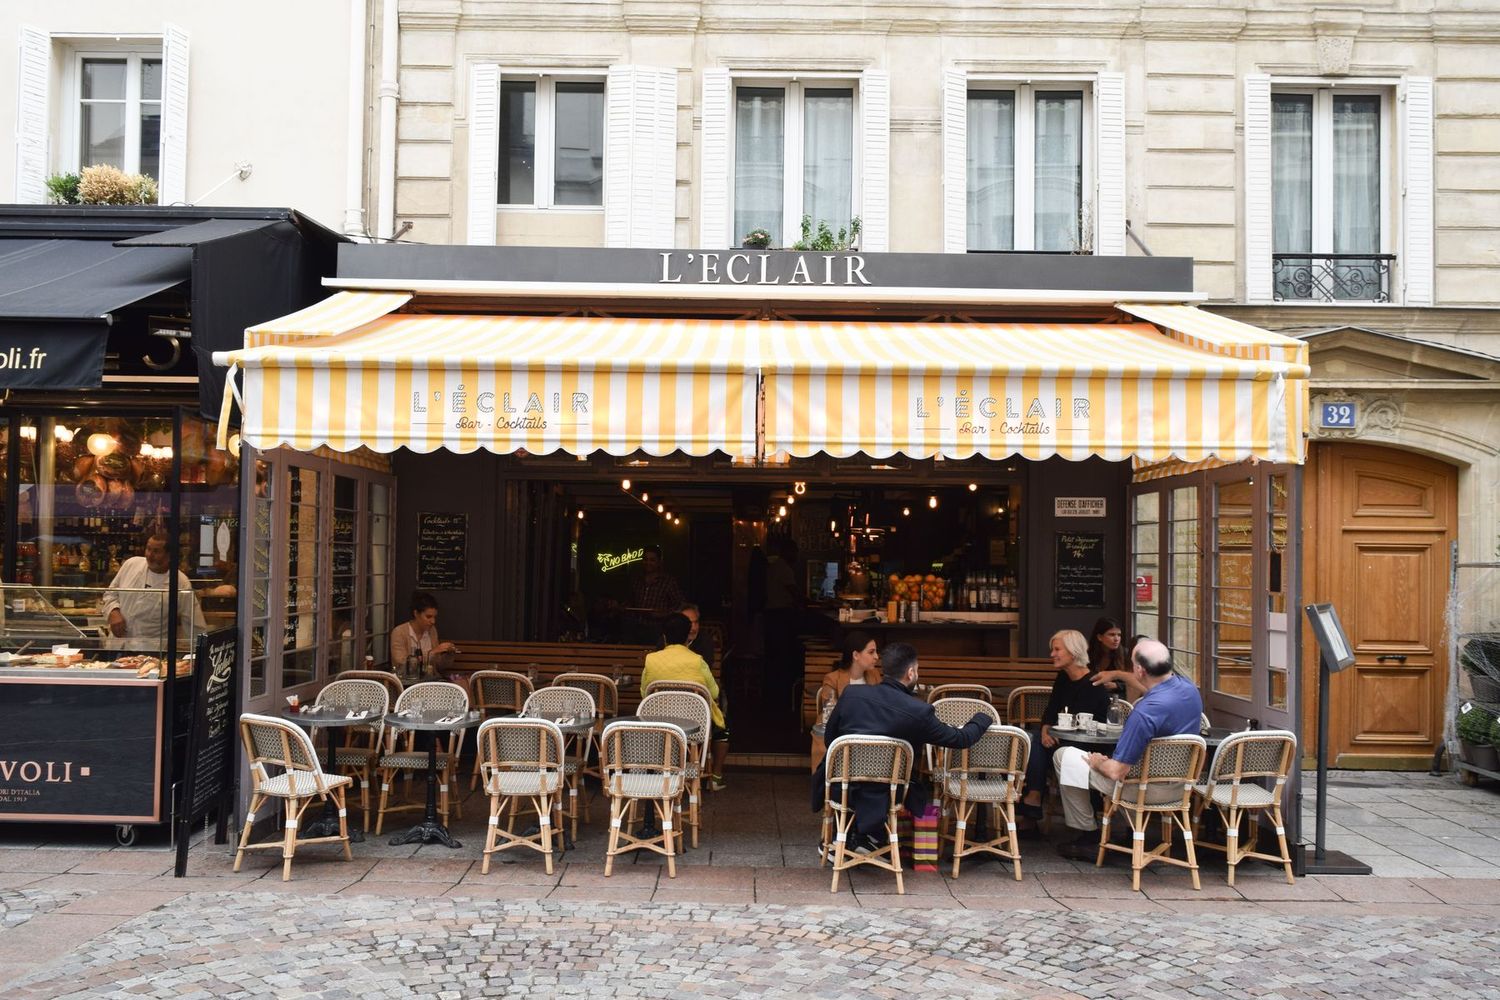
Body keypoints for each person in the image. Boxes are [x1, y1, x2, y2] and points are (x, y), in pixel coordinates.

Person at [812, 642, 992, 853]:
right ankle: (864, 837)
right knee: (914, 783)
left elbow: (831, 740)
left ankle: (853, 838)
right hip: (889, 792)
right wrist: (983, 716)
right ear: (910, 673)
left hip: (841, 788)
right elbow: (960, 739)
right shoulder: (919, 711)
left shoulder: (852, 695)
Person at [1052, 637, 1204, 860]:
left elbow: (1116, 772)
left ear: (1140, 670)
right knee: (1131, 762)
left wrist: (1098, 762)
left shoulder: (1143, 713)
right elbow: (1150, 684)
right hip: (1180, 788)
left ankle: (1088, 835)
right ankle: (1132, 832)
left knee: (1063, 756)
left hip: (1142, 789)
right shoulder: (1189, 689)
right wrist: (1117, 674)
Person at [1016, 629, 1113, 830]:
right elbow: (1051, 710)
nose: (1052, 654)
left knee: (1035, 745)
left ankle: (1032, 806)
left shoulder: (1093, 684)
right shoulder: (1063, 677)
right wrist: (1044, 729)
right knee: (1030, 739)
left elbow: (1080, 725)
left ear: (1073, 652)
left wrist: (1052, 734)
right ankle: (1033, 801)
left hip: (1087, 746)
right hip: (1062, 739)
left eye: (1057, 649)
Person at [642, 612, 729, 791]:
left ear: (664, 636)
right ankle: (714, 777)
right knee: (724, 730)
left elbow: (645, 693)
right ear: (686, 636)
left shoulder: (651, 660)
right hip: (695, 728)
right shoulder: (697, 661)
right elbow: (714, 691)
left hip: (660, 725)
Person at [102, 529, 207, 651]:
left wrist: (201, 654)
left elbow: (194, 623)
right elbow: (110, 594)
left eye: (156, 551)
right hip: (116, 645)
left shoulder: (180, 582)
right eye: (148, 549)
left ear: (169, 556)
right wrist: (114, 612)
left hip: (150, 651)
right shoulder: (131, 564)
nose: (149, 555)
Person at [808, 631, 879, 772]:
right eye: (871, 652)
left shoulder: (874, 676)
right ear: (856, 655)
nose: (876, 657)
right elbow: (830, 713)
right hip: (841, 735)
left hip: (869, 734)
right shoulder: (832, 679)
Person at [390, 591, 456, 673]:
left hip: (429, 682)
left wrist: (448, 654)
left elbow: (438, 666)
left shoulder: (432, 631)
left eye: (434, 617)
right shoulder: (399, 632)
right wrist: (432, 652)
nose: (433, 621)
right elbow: (400, 664)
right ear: (416, 614)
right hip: (407, 683)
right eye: (428, 617)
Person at [630, 546, 683, 612]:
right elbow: (631, 603)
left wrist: (664, 613)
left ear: (659, 562)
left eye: (652, 560)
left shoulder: (668, 582)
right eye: (645, 559)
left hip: (659, 622)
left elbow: (680, 605)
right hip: (636, 622)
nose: (648, 563)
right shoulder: (637, 580)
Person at [679, 602, 718, 669]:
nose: (694, 628)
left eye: (696, 622)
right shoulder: (668, 639)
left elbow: (705, 668)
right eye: (689, 623)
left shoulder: (705, 641)